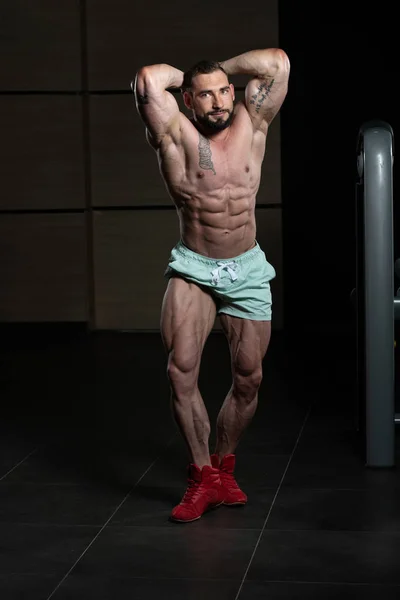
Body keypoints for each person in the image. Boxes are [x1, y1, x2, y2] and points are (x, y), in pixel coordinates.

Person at [133, 47, 290, 523]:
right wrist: (193, 75)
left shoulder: (252, 121)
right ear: (188, 99)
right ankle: (202, 476)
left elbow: (277, 63)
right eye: (207, 95)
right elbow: (146, 80)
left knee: (250, 377)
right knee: (181, 371)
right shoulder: (173, 133)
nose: (220, 101)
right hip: (195, 266)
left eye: (224, 90)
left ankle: (224, 469)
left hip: (246, 266)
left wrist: (219, 68)